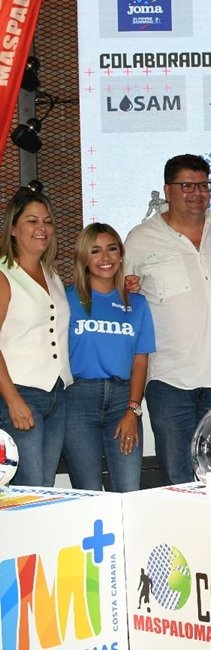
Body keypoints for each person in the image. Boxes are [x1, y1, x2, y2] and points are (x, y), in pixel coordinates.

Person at [125, 154, 211, 485]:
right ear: (167, 190)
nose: (197, 193)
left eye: (203, 185)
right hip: (170, 381)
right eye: (187, 186)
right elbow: (121, 300)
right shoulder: (140, 239)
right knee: (178, 479)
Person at [63, 224, 156, 492]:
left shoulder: (137, 304)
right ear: (84, 257)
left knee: (128, 489)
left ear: (121, 255)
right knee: (89, 491)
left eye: (112, 249)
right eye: (95, 251)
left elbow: (140, 360)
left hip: (122, 402)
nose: (105, 258)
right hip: (78, 401)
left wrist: (133, 409)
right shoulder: (66, 299)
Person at [0, 187, 72, 487]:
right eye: (32, 221)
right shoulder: (4, 274)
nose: (42, 228)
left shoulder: (52, 274)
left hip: (57, 394)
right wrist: (13, 400)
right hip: (20, 393)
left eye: (47, 221)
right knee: (28, 490)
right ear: (13, 228)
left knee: (44, 487)